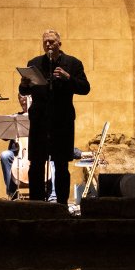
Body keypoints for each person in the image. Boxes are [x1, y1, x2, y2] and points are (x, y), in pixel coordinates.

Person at [19, 29, 91, 205]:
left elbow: (85, 88)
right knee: (36, 164)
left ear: (59, 43)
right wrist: (23, 84)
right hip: (39, 121)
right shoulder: (34, 63)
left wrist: (68, 78)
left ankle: (61, 205)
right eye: (45, 42)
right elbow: (24, 91)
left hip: (62, 121)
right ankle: (36, 206)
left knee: (61, 166)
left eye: (51, 41)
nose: (48, 45)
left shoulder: (73, 63)